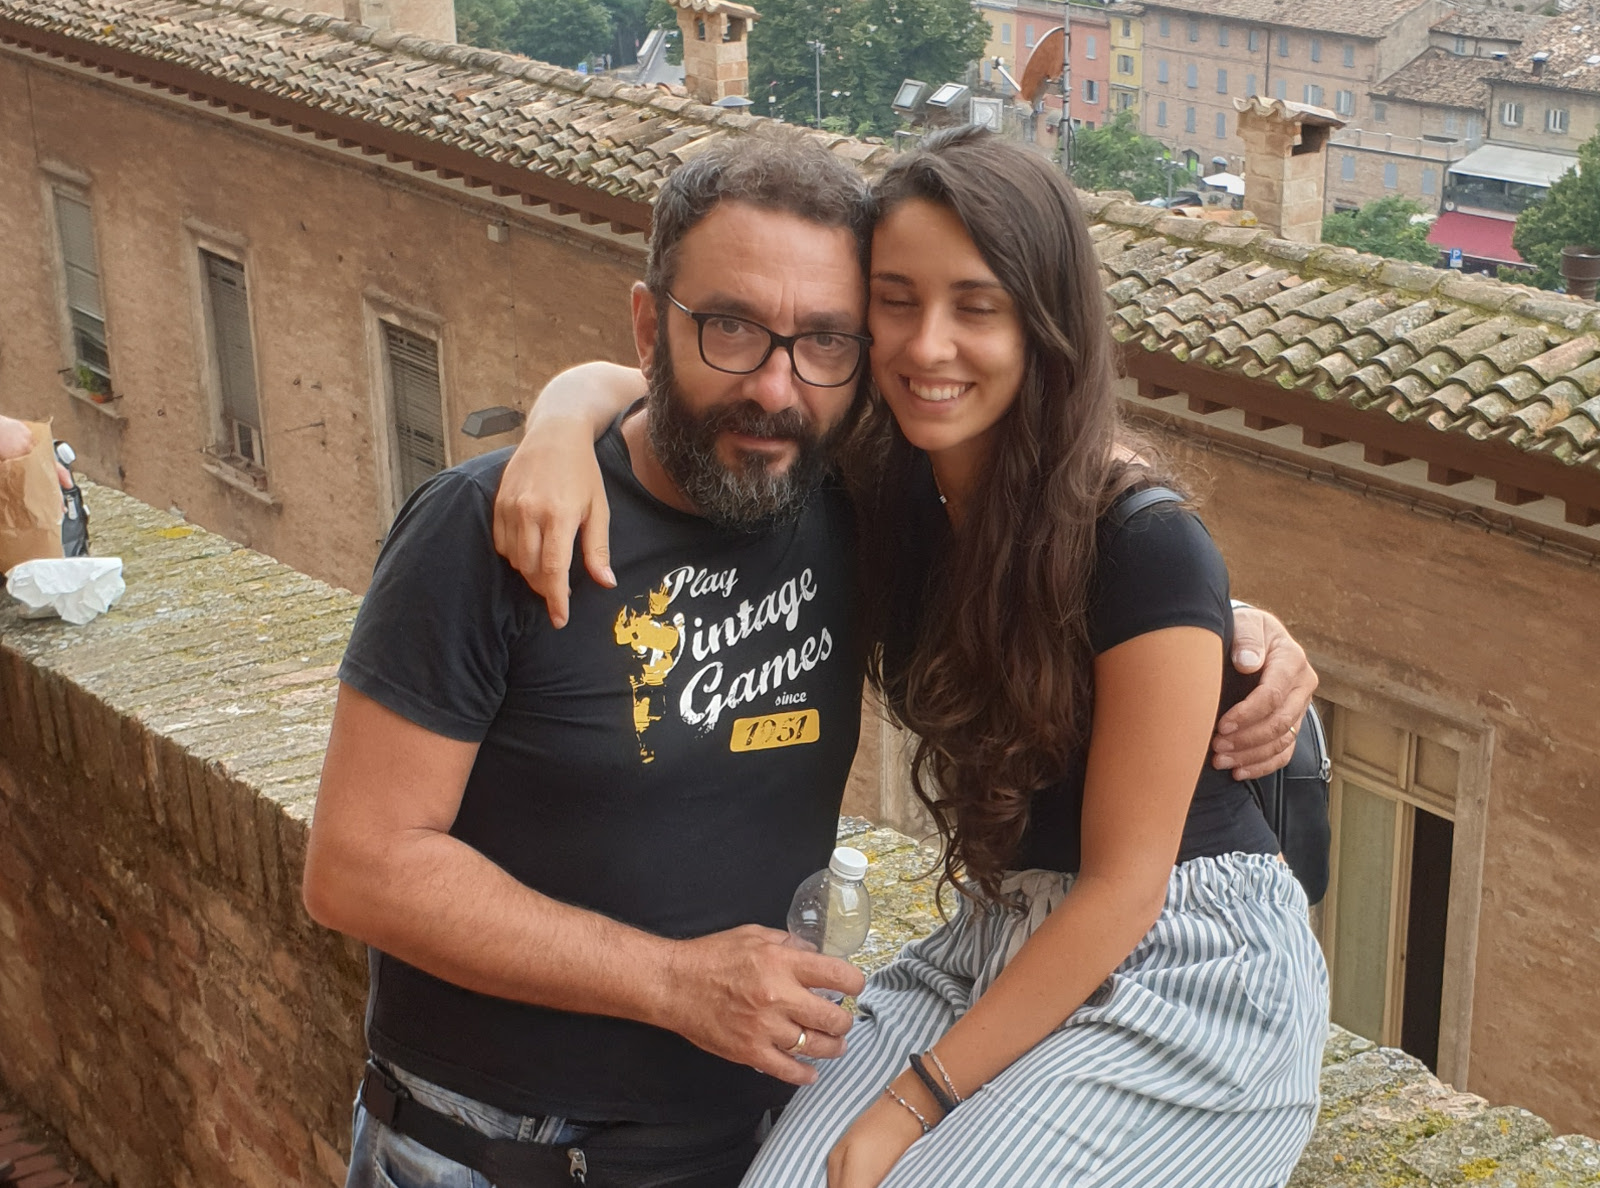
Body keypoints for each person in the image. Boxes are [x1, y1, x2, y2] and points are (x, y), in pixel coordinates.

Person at [307, 130, 1316, 1188]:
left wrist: (1233, 626)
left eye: (824, 341)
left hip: (740, 1127)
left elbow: (1090, 528)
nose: (776, 387)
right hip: (487, 1149)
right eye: (730, 329)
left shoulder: (841, 501)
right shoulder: (500, 527)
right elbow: (356, 867)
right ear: (652, 323)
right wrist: (559, 421)